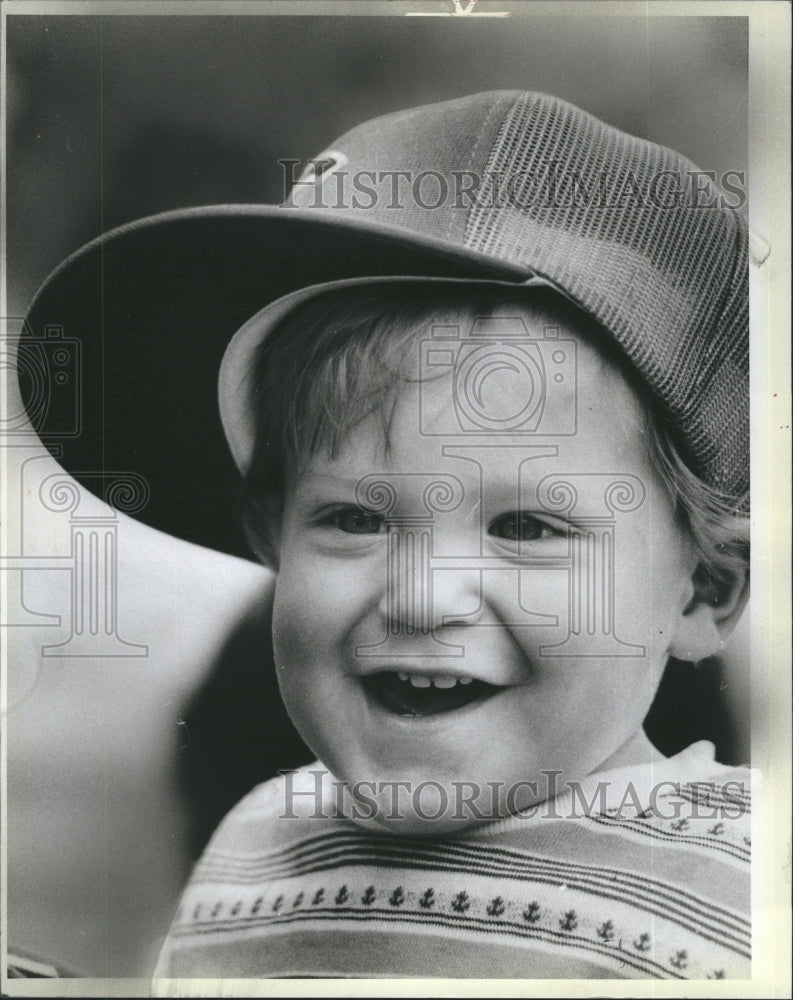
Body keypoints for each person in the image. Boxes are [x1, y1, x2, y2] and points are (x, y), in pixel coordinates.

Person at [25, 90, 753, 981]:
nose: (418, 594)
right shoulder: (250, 854)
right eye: (354, 519)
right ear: (273, 543)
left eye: (525, 525)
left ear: (702, 591)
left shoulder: (738, 890)